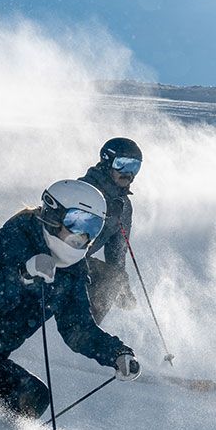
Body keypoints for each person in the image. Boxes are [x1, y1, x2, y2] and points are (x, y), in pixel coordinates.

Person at [0, 179, 141, 419]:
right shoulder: (12, 239)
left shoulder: (72, 271)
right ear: (54, 214)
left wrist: (116, 353)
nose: (83, 235)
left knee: (34, 397)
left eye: (93, 227)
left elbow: (77, 328)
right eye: (77, 222)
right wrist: (23, 275)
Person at [78, 137, 142, 323]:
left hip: (80, 264)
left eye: (135, 167)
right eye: (122, 164)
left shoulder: (123, 206)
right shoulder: (82, 191)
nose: (129, 173)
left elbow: (117, 254)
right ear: (107, 162)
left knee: (112, 278)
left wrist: (122, 286)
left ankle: (84, 331)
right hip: (56, 259)